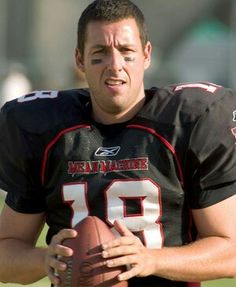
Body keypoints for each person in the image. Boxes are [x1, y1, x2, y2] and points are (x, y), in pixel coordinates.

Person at [0, 0, 236, 286]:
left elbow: (230, 251)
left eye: (127, 52)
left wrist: (151, 259)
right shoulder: (46, 130)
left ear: (147, 55)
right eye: (99, 53)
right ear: (79, 60)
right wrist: (45, 259)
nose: (115, 66)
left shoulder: (187, 124)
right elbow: (5, 253)